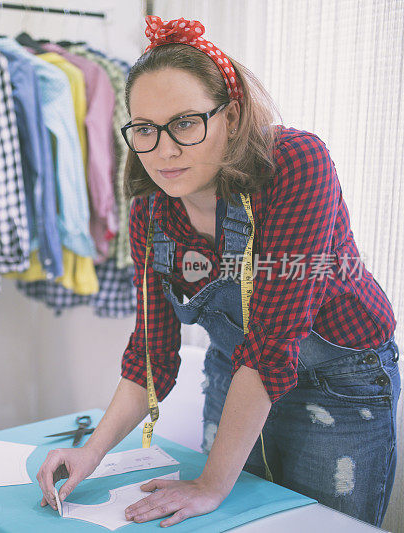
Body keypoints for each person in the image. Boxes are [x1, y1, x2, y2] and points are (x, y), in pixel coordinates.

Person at [36, 15, 400, 528]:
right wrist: (91, 452)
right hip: (238, 376)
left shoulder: (295, 166)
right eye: (144, 129)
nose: (164, 150)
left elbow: (273, 343)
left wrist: (210, 483)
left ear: (230, 117)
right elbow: (150, 355)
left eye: (185, 122)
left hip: (335, 385)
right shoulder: (152, 213)